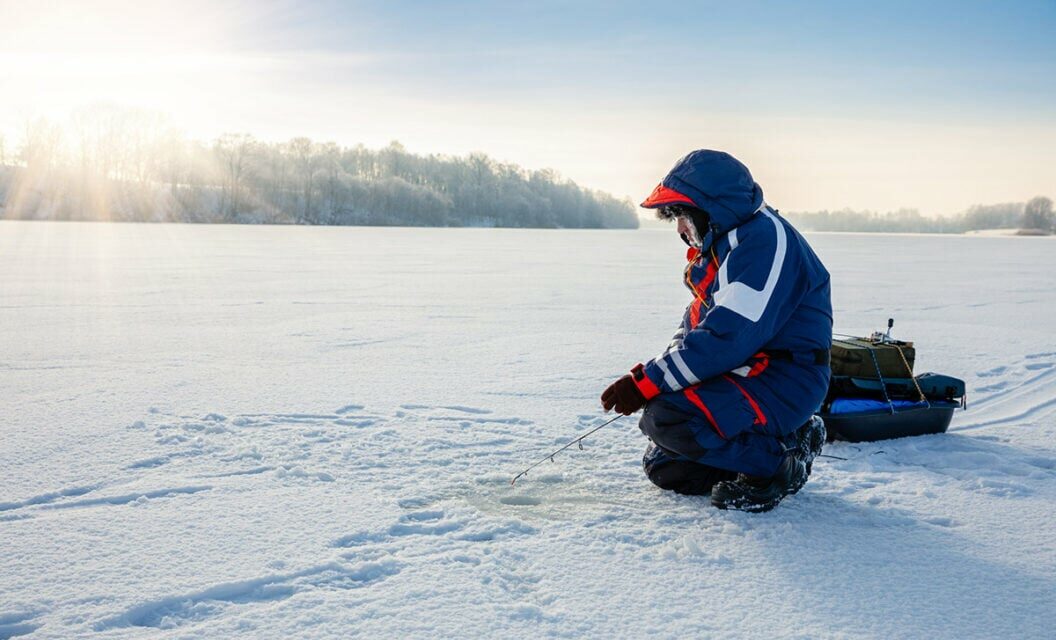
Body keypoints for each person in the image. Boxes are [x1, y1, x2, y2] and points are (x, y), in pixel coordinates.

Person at [601, 150, 832, 512]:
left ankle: (778, 463)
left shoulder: (762, 244)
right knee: (667, 468)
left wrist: (648, 383)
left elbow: (726, 338)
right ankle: (786, 439)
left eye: (681, 215)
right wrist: (660, 374)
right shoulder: (725, 245)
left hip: (784, 377)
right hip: (744, 372)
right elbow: (696, 326)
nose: (679, 229)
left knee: (667, 417)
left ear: (712, 209)